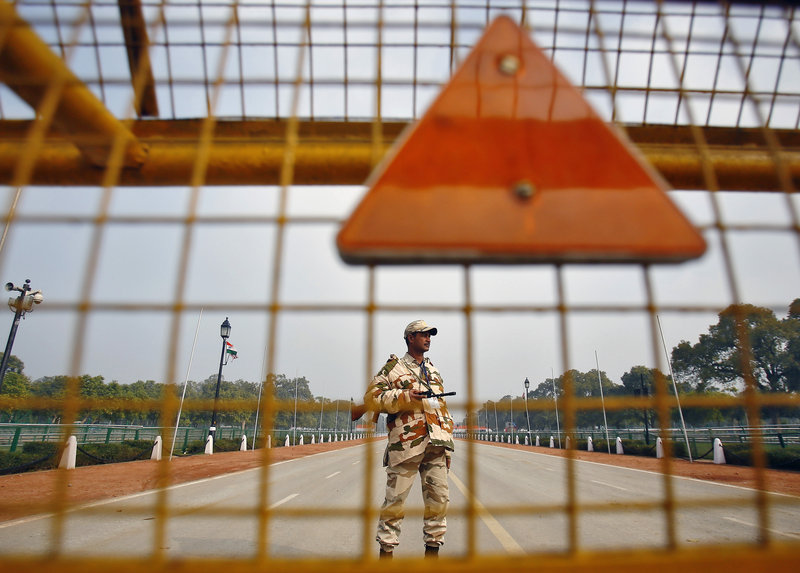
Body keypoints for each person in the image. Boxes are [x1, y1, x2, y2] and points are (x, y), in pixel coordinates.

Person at [364, 319, 455, 559]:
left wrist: (446, 447)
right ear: (410, 338)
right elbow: (372, 398)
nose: (428, 339)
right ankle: (386, 554)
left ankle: (432, 555)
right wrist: (404, 396)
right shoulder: (393, 368)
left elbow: (440, 409)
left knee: (439, 502)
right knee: (395, 504)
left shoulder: (433, 371)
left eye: (430, 335)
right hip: (405, 446)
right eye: (423, 335)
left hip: (435, 445)